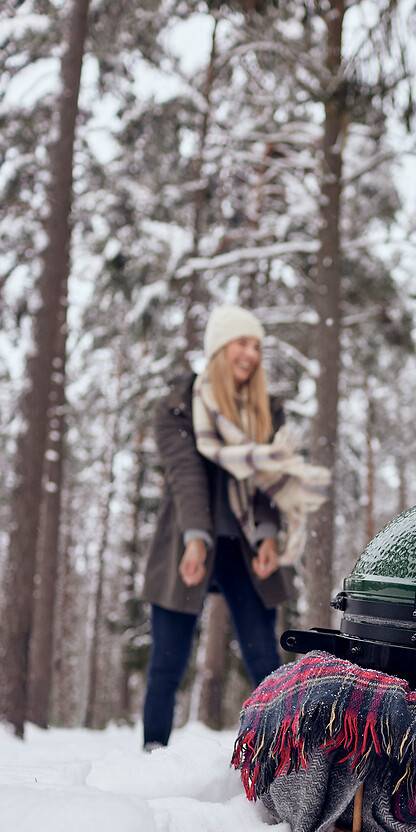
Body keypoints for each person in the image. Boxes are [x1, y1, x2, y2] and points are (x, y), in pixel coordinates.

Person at [141, 303, 329, 749]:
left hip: (245, 548)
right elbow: (186, 476)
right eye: (242, 343)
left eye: (257, 345)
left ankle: (284, 756)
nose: (251, 353)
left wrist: (267, 535)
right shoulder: (177, 407)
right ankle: (151, 756)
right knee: (167, 661)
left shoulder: (266, 411)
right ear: (219, 348)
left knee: (264, 659)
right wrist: (196, 541)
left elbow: (269, 484)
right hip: (189, 539)